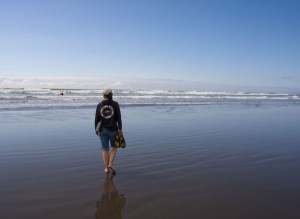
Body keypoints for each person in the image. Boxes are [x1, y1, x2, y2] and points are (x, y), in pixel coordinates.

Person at [95, 88, 123, 174]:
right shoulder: (115, 104)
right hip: (113, 130)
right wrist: (120, 129)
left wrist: (96, 129)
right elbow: (119, 118)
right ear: (111, 94)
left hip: (102, 130)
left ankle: (107, 168)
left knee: (105, 149)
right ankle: (111, 164)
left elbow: (96, 119)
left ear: (103, 95)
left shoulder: (99, 105)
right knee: (114, 147)